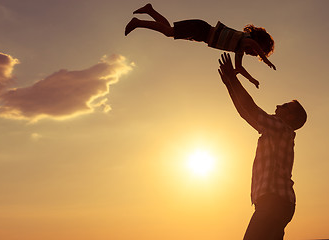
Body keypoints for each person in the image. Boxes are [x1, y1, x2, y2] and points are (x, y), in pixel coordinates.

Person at [218, 53, 307, 240]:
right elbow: (246, 114)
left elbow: (251, 109)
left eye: (284, 106)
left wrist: (233, 80)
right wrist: (229, 85)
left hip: (274, 201)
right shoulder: (275, 131)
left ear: (290, 117)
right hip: (276, 203)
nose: (277, 106)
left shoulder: (282, 129)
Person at [125, 3, 276, 88]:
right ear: (258, 42)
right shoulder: (245, 39)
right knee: (169, 32)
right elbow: (252, 44)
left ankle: (150, 10)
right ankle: (137, 22)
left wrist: (251, 80)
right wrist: (267, 61)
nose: (254, 54)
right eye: (257, 52)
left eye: (256, 55)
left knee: (169, 31)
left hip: (199, 36)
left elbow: (240, 67)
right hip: (201, 28)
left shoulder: (239, 49)